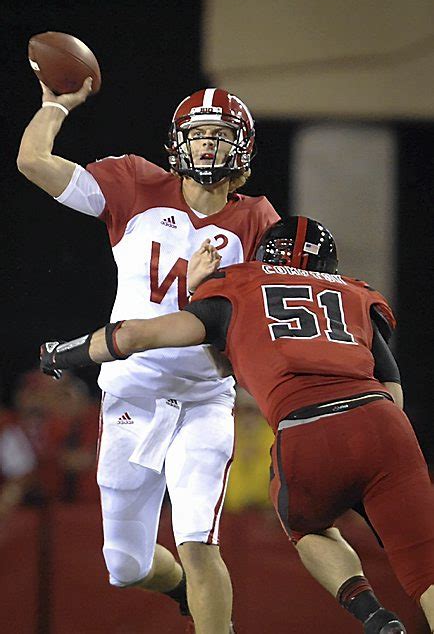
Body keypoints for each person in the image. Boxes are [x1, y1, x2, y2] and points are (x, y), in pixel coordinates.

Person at [41, 216, 434, 634]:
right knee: (426, 569)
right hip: (383, 424)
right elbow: (392, 390)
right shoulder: (355, 292)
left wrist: (62, 354)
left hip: (306, 427)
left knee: (308, 528)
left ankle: (373, 615)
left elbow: (136, 336)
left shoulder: (238, 285)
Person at [17, 79, 279, 633]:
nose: (208, 144)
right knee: (126, 565)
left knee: (199, 543)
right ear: (178, 142)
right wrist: (55, 103)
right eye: (199, 134)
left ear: (244, 148)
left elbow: (265, 322)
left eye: (220, 134)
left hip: (205, 399)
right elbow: (32, 161)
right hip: (131, 394)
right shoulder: (135, 183)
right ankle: (186, 591)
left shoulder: (259, 220)